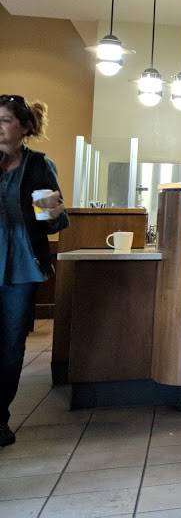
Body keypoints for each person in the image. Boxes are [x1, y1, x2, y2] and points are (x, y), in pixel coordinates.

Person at [0, 96, 67, 447]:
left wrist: (49, 210)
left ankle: (0, 417)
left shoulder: (39, 166)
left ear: (24, 127)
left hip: (21, 267)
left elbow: (56, 221)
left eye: (5, 120)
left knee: (11, 345)